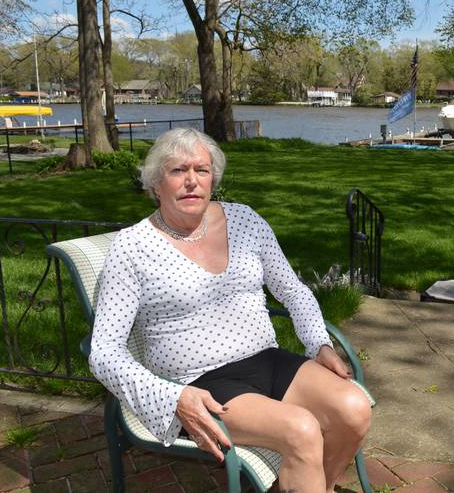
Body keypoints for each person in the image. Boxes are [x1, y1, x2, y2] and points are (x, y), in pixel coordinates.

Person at [89, 128, 371, 492]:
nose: (191, 181)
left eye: (201, 170)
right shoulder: (133, 247)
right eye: (178, 171)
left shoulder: (245, 221)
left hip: (265, 359)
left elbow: (292, 290)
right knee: (301, 430)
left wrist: (319, 343)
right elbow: (104, 352)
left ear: (213, 179)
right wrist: (173, 398)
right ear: (156, 183)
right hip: (199, 381)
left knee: (354, 408)